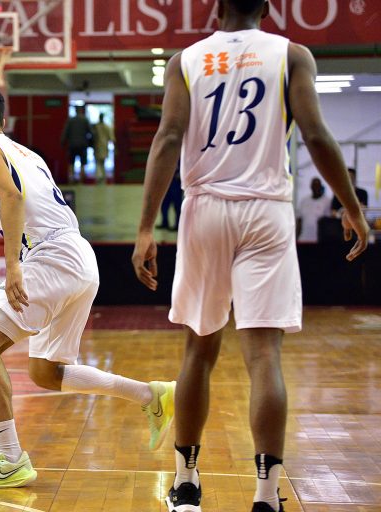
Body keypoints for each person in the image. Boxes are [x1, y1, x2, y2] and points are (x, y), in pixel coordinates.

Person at [130, 1, 370, 511]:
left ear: (216, 6)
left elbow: (168, 137)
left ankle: (186, 482)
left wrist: (147, 226)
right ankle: (266, 495)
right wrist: (352, 207)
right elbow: (315, 134)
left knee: (198, 351)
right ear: (267, 6)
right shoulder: (292, 54)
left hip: (204, 209)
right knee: (264, 356)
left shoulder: (185, 60)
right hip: (266, 211)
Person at [0, 86, 176, 489]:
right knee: (45, 370)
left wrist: (12, 265)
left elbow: (11, 196)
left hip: (49, 255)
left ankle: (10, 459)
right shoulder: (26, 153)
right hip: (78, 254)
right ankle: (150, 396)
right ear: (3, 121)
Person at [61, 105, 92, 183]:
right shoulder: (85, 120)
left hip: (72, 145)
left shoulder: (71, 120)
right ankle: (81, 181)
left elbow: (65, 132)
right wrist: (91, 142)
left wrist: (62, 142)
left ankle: (71, 180)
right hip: (83, 145)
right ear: (81, 111)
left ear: (75, 111)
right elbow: (91, 132)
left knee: (71, 163)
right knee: (83, 163)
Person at [296, 177, 331, 242]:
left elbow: (328, 223)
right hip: (303, 239)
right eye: (314, 185)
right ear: (311, 187)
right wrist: (296, 237)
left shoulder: (327, 201)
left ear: (321, 187)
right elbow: (299, 220)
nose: (316, 188)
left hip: (319, 240)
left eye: (318, 186)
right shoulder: (304, 201)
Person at [91, 113, 116, 184]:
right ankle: (101, 177)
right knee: (100, 163)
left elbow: (112, 138)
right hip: (100, 146)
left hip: (101, 146)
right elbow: (112, 138)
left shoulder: (99, 127)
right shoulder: (101, 127)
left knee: (99, 163)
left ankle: (101, 178)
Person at [159, 166, 183, 231]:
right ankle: (164, 222)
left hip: (175, 181)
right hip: (166, 180)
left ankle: (178, 225)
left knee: (177, 205)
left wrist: (180, 174)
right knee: (164, 203)